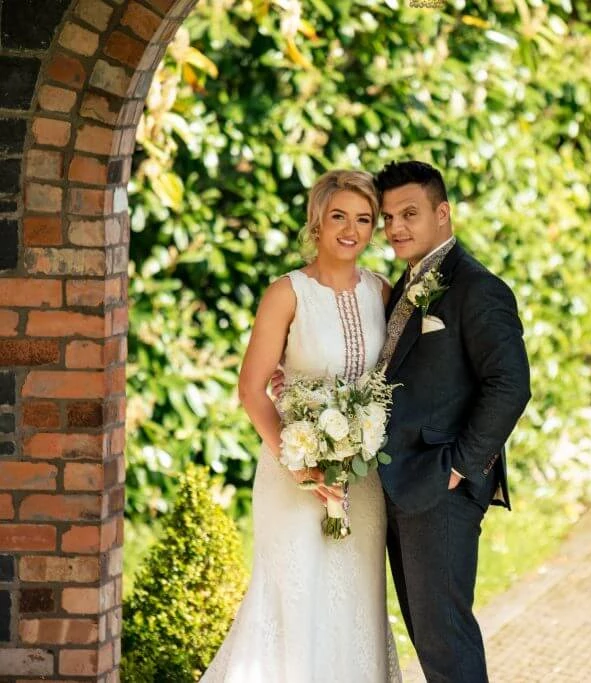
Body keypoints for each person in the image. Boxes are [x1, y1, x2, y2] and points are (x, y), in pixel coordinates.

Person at [202, 170, 400, 682]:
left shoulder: (382, 292)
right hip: (293, 475)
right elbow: (252, 389)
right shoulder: (286, 293)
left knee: (356, 601)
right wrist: (299, 465)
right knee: (292, 598)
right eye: (339, 216)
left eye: (364, 219)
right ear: (317, 221)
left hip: (362, 481)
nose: (351, 230)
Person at [373, 160, 531, 682]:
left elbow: (510, 384)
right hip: (401, 484)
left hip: (440, 487)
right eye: (389, 216)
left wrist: (458, 466)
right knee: (429, 636)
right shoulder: (408, 282)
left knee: (446, 641)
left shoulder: (477, 288)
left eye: (410, 213)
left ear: (443, 213)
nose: (396, 227)